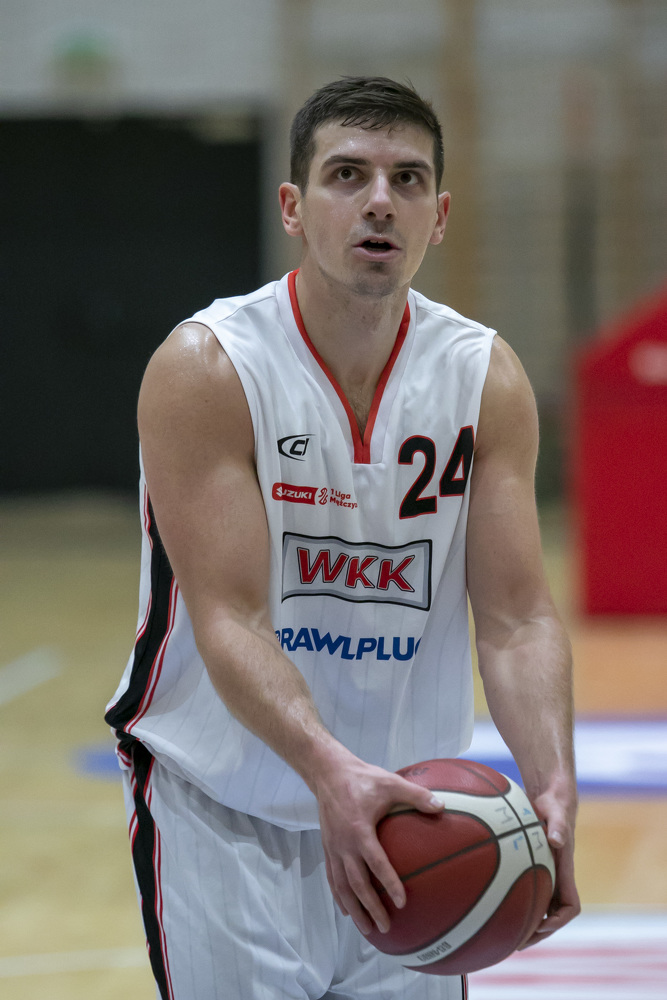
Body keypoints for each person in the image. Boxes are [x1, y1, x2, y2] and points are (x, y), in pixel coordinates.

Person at [105, 76, 579, 1000]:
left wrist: (553, 782)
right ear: (292, 206)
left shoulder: (483, 378)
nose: (379, 202)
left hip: (415, 825)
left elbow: (517, 620)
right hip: (226, 816)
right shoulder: (209, 366)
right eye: (347, 175)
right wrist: (332, 775)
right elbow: (232, 618)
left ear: (439, 216)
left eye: (407, 179)